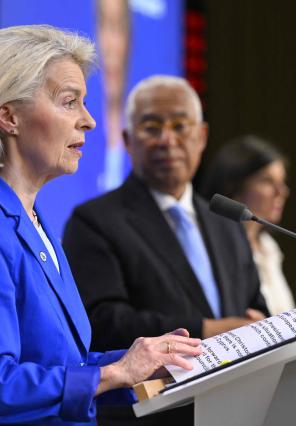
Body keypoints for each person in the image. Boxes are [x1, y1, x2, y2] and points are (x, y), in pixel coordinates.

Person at [0, 25, 201, 426]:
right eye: (69, 102)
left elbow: (62, 364)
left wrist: (144, 361)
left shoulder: (32, 221)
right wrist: (116, 373)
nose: (88, 121)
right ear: (9, 116)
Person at [63, 76, 267, 350]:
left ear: (202, 136)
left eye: (180, 126)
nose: (167, 140)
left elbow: (254, 306)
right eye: (151, 127)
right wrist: (205, 330)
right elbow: (101, 322)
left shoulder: (227, 220)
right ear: (128, 140)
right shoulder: (94, 222)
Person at [201, 135, 296, 315]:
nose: (282, 192)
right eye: (267, 181)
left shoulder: (268, 246)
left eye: (282, 182)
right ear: (233, 186)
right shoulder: (213, 247)